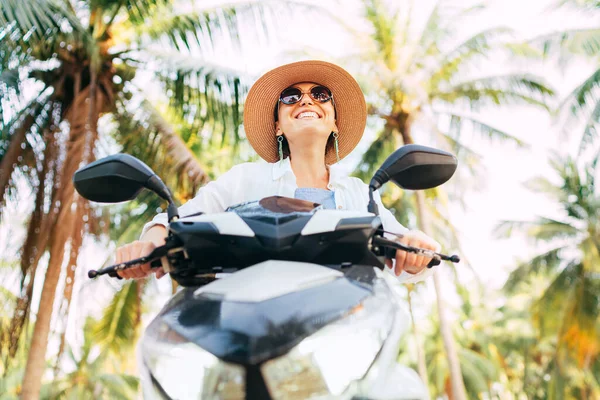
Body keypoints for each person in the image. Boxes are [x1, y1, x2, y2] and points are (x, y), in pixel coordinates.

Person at [116, 60, 440, 281]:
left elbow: (404, 244)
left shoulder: (358, 192)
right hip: (256, 330)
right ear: (277, 127)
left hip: (345, 326)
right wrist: (148, 244)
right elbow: (174, 222)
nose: (306, 101)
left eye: (321, 95)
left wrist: (419, 247)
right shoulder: (244, 179)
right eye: (291, 97)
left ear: (335, 123)